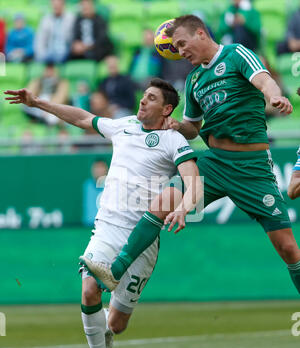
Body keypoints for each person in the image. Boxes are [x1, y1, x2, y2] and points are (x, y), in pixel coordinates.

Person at [83, 15, 300, 305]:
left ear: (200, 33)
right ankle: (116, 270)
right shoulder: (194, 80)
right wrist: (175, 126)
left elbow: (264, 81)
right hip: (215, 162)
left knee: (287, 248)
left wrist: (274, 97)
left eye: (183, 44)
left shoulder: (236, 54)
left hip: (253, 167)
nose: (181, 52)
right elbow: (193, 128)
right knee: (161, 204)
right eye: (176, 48)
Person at [4, 78, 201, 348]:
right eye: (143, 96)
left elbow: (193, 177)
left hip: (143, 238)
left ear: (166, 109)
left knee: (116, 325)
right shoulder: (123, 126)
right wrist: (37, 102)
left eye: (151, 98)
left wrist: (185, 206)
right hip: (108, 226)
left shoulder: (172, 140)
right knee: (89, 290)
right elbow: (82, 118)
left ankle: (108, 333)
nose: (142, 101)